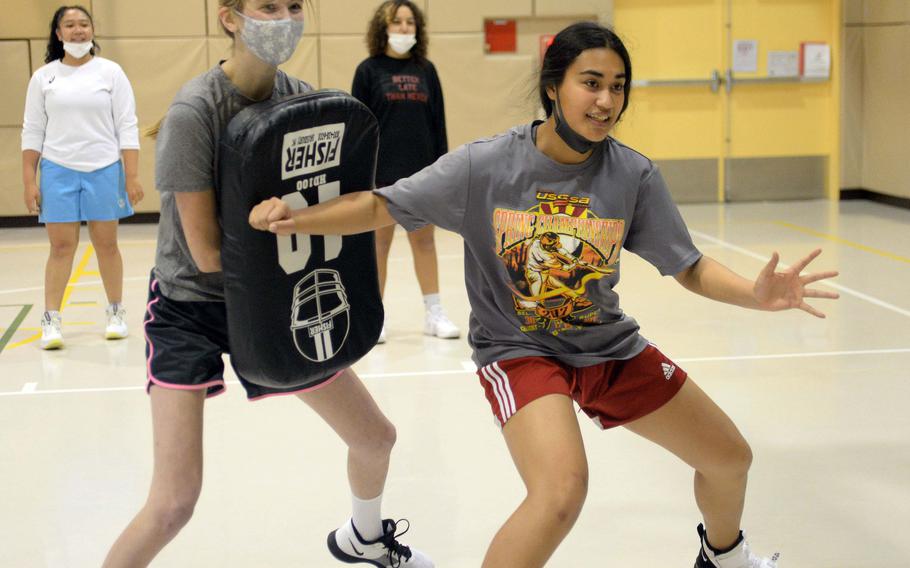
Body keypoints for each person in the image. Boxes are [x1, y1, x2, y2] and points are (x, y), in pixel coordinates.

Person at [250, 21, 841, 568]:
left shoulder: (632, 175)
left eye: (618, 87)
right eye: (591, 84)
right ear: (553, 87)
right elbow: (383, 203)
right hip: (521, 351)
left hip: (609, 347)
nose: (606, 101)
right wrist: (296, 220)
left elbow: (687, 266)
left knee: (730, 458)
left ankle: (724, 559)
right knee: (561, 492)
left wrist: (755, 294)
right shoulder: (485, 166)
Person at [101, 1, 431, 566]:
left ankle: (364, 539)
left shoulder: (306, 101)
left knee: (376, 438)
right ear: (231, 18)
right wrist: (277, 229)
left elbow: (338, 210)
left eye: (295, 5)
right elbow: (205, 253)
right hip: (192, 308)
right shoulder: (194, 112)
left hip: (275, 294)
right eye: (268, 6)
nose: (285, 17)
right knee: (174, 501)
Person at [21, 4, 143, 350]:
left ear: (92, 31)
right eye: (70, 26)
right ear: (58, 34)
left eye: (84, 24)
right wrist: (30, 180)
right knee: (61, 247)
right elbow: (32, 131)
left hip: (104, 168)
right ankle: (51, 320)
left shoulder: (111, 73)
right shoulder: (44, 77)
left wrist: (131, 175)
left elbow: (127, 125)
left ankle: (116, 311)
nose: (78, 31)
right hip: (58, 170)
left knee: (107, 245)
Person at [351, 0, 459, 343]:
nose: (403, 28)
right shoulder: (368, 70)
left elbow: (437, 123)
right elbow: (358, 126)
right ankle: (376, 317)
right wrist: (360, 175)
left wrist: (442, 173)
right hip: (381, 174)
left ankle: (434, 313)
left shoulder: (426, 70)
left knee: (424, 242)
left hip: (422, 175)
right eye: (396, 22)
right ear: (383, 28)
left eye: (409, 23)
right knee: (379, 244)